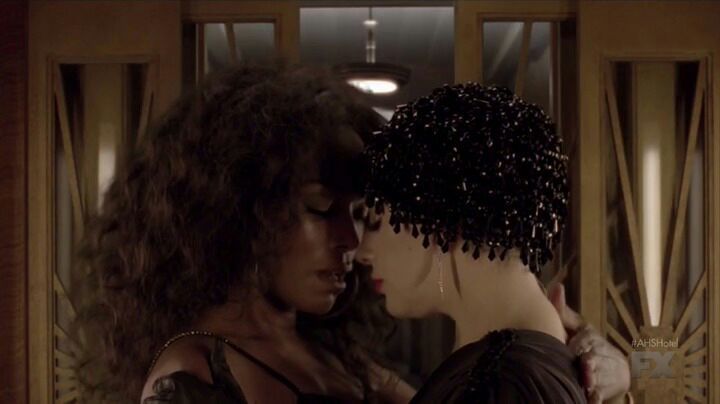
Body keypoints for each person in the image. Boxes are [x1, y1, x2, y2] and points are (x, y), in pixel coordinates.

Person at [76, 64, 415, 403]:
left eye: (358, 214)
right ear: (243, 215)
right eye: (320, 208)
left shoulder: (337, 356)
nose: (352, 240)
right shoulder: (193, 374)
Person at [356, 83, 631, 403]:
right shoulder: (507, 366)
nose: (362, 252)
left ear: (439, 220)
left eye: (375, 222)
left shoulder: (502, 381)